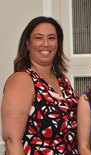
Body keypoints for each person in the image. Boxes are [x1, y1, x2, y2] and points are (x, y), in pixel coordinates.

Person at [1, 16, 79, 155]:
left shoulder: (63, 81)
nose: (46, 43)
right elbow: (12, 140)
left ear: (57, 44)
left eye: (51, 38)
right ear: (27, 43)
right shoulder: (22, 80)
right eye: (38, 38)